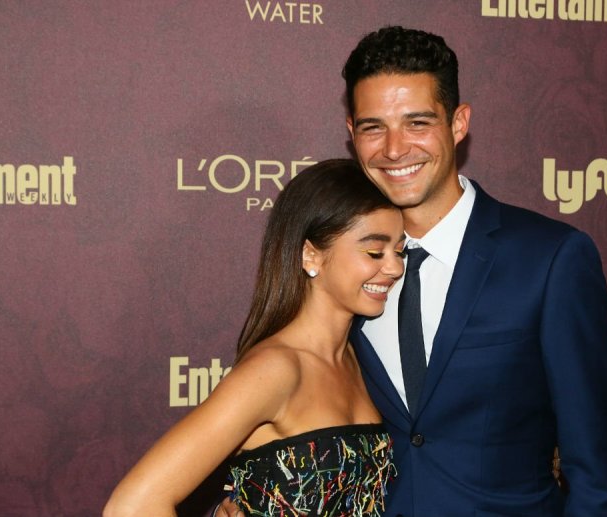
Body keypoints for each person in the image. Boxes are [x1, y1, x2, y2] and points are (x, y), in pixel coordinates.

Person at [220, 25, 607, 517]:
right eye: (374, 127)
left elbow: (598, 475)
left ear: (458, 123)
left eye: (417, 122)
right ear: (351, 134)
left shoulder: (550, 259)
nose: (395, 149)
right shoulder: (340, 270)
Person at [104, 159, 403, 517]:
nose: (394, 267)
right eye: (374, 251)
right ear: (311, 255)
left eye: (399, 250)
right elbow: (133, 505)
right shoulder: (275, 370)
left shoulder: (357, 357)